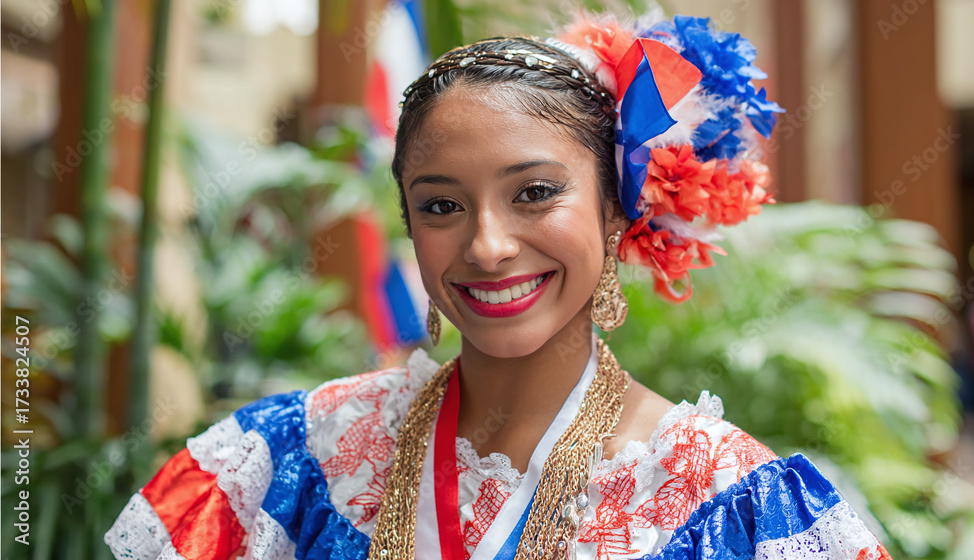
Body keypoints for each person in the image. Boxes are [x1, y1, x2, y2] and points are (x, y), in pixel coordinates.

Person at [105, 11, 894, 560]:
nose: (486, 245)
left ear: (618, 208)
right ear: (410, 227)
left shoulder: (730, 503)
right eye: (441, 205)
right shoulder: (292, 461)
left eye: (535, 193)